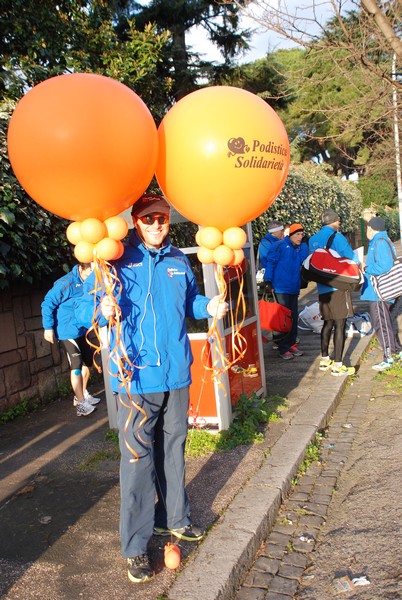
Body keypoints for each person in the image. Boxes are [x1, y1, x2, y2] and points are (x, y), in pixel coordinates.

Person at [76, 193, 228, 584]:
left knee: (173, 451)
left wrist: (207, 307)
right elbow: (78, 307)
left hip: (176, 374)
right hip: (135, 379)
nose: (157, 224)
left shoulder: (179, 260)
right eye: (148, 219)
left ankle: (173, 519)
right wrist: (99, 310)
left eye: (161, 218)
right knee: (137, 463)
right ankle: (135, 547)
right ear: (136, 221)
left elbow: (189, 301)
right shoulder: (114, 258)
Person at [41, 263, 101, 416]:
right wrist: (48, 328)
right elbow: (47, 303)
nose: (92, 277)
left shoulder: (92, 280)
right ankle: (81, 405)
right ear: (82, 268)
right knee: (76, 363)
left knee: (89, 361)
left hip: (81, 329)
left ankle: (81, 394)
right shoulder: (66, 283)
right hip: (66, 330)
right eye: (90, 273)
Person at [308, 208, 359, 376]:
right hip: (338, 287)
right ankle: (338, 364)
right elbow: (352, 258)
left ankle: (325, 359)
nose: (339, 224)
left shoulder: (313, 240)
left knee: (327, 323)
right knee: (340, 324)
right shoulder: (337, 237)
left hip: (322, 287)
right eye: (338, 221)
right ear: (335, 221)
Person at [360, 216, 402, 370]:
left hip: (378, 292)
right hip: (381, 291)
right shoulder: (384, 240)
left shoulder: (378, 242)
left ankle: (388, 356)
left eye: (368, 229)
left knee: (381, 324)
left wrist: (366, 268)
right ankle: (395, 350)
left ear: (371, 229)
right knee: (387, 322)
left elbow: (384, 266)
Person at [264, 223, 309, 360]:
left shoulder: (298, 248)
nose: (300, 237)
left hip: (293, 288)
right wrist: (268, 280)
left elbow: (303, 260)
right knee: (283, 319)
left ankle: (291, 344)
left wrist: (304, 245)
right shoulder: (279, 246)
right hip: (281, 288)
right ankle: (283, 347)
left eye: (302, 235)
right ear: (291, 234)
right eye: (297, 234)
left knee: (293, 318)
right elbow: (270, 262)